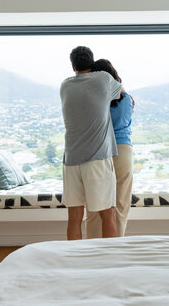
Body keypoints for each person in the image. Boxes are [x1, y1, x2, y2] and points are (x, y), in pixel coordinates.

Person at [60, 47, 122, 240]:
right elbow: (121, 91)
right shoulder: (103, 79)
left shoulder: (65, 85)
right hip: (97, 159)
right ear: (92, 63)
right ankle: (110, 260)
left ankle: (75, 261)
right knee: (107, 215)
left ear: (73, 66)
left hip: (70, 160)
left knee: (74, 218)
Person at [86, 59, 134, 238]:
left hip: (99, 150)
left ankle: (92, 247)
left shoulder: (95, 100)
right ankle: (117, 246)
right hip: (123, 151)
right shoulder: (128, 98)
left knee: (94, 203)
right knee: (121, 204)